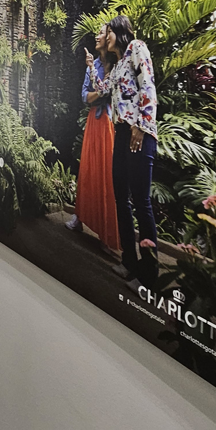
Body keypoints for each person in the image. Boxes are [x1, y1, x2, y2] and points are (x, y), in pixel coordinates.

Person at [86, 15, 158, 291]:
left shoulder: (137, 48)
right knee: (121, 199)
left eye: (106, 31)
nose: (103, 35)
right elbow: (103, 90)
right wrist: (93, 68)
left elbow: (148, 87)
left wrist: (142, 125)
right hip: (121, 134)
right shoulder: (117, 65)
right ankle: (129, 261)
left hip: (139, 132)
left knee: (141, 202)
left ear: (118, 31)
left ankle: (149, 274)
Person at [65, 24, 120, 254]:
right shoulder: (94, 64)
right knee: (87, 170)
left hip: (108, 123)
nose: (96, 36)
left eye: (100, 33)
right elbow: (85, 96)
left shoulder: (118, 64)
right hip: (93, 121)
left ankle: (106, 235)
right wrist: (102, 92)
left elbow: (115, 93)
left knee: (106, 174)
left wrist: (100, 92)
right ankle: (79, 217)